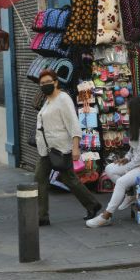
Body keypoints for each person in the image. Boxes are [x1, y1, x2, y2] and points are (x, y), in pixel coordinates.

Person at [34, 69, 101, 226]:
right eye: (42, 83)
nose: (44, 85)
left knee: (69, 179)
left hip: (60, 148)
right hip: (47, 149)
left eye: (48, 82)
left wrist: (76, 147)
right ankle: (42, 215)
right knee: (40, 178)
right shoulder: (47, 100)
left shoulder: (63, 99)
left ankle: (92, 204)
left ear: (56, 82)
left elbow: (73, 123)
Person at [86, 97, 140, 228]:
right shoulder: (137, 126)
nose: (127, 112)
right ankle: (130, 194)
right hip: (136, 164)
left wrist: (127, 169)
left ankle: (107, 215)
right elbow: (133, 149)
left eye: (129, 109)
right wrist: (126, 157)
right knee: (109, 169)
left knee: (121, 182)